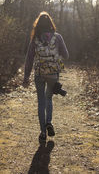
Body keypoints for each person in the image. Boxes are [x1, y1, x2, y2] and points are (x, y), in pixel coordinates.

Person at [23, 11, 69, 142]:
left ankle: (43, 132)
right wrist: (56, 54)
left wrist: (26, 77)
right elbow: (66, 55)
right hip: (53, 74)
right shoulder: (58, 37)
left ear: (37, 25)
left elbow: (29, 60)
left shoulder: (35, 39)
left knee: (41, 102)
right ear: (50, 23)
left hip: (39, 74)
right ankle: (49, 122)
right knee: (49, 98)